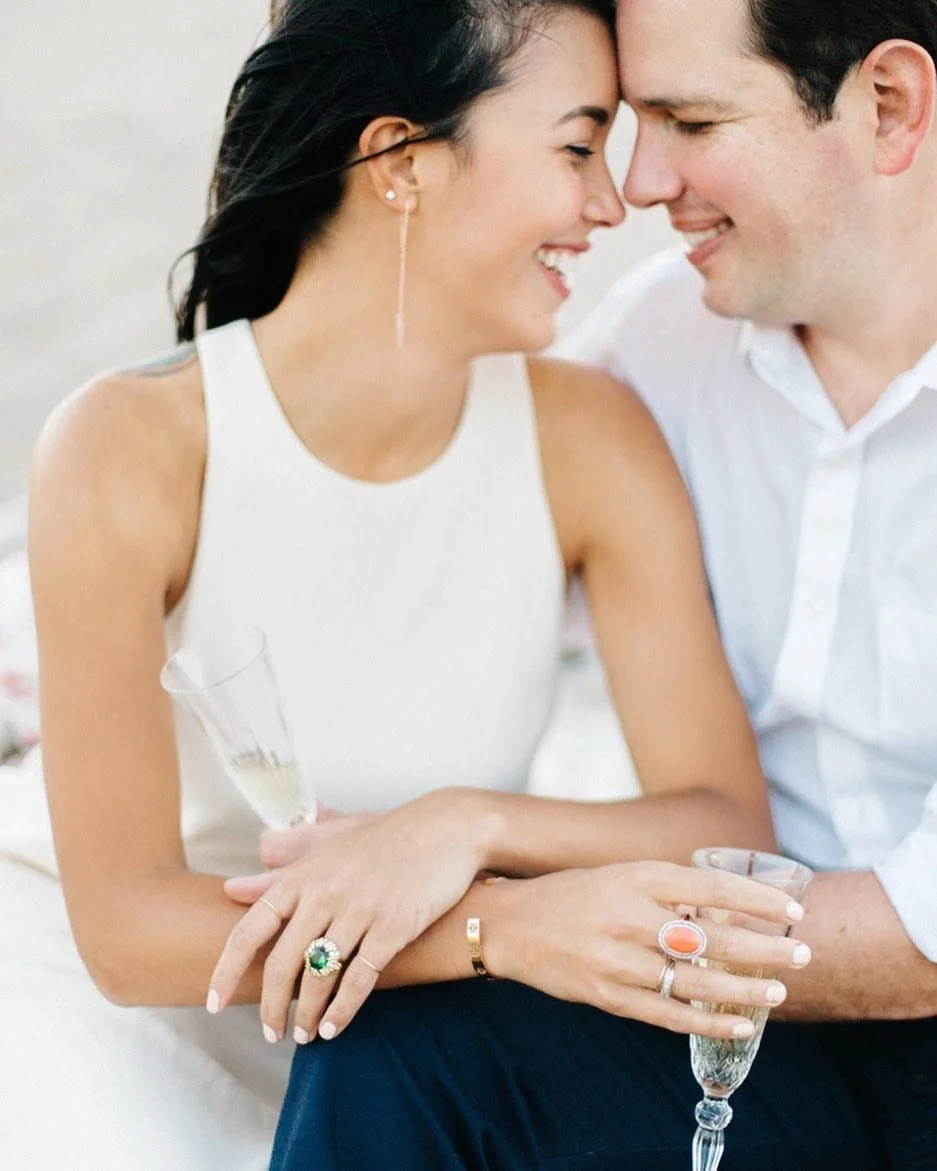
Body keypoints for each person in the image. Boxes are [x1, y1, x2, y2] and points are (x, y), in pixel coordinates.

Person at [0, 1, 811, 1168]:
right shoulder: (127, 445)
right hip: (125, 1014)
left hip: (394, 1030)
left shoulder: (590, 439)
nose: (611, 201)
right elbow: (126, 932)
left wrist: (461, 827)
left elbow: (721, 821)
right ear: (399, 160)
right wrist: (499, 923)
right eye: (577, 146)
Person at [263, 0, 937, 1167]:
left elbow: (915, 949)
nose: (638, 182)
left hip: (852, 970)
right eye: (629, 124)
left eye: (691, 121)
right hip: (768, 1030)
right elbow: (426, 529)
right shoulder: (658, 344)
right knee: (395, 1047)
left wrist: (528, 918)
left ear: (887, 105)